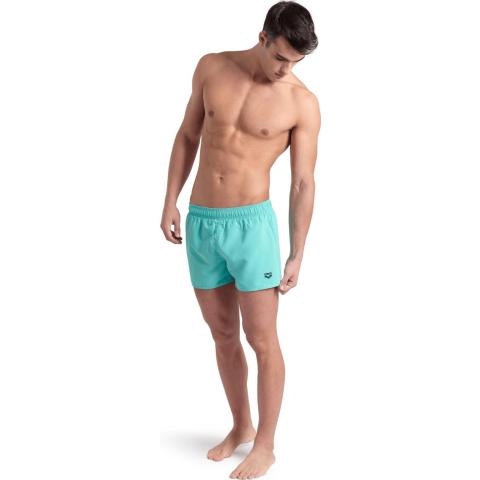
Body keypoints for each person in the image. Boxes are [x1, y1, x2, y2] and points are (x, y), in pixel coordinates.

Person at [160, 1, 320, 478]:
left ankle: (265, 445)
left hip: (253, 230)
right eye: (281, 57)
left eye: (296, 62)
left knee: (262, 338)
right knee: (223, 334)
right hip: (202, 222)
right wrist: (170, 201)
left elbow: (302, 183)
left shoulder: (301, 102)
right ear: (263, 37)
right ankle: (241, 425)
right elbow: (187, 136)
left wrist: (298, 253)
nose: (286, 69)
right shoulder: (212, 67)